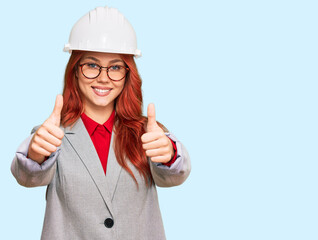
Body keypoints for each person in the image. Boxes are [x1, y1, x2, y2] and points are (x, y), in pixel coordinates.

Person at [11, 6, 191, 240]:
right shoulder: (51, 135)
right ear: (75, 70)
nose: (103, 77)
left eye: (115, 67)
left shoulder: (147, 134)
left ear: (128, 74)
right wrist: (36, 153)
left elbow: (175, 175)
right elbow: (26, 176)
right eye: (92, 65)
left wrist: (169, 153)